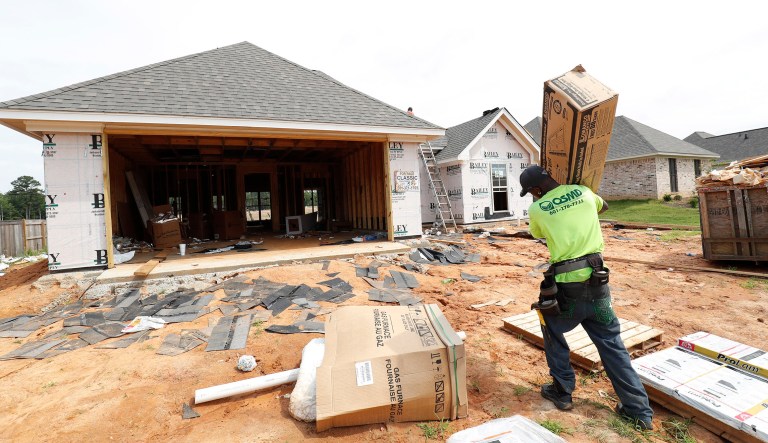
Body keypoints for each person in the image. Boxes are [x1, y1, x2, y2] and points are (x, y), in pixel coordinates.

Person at [519, 165, 654, 431]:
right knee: (612, 344)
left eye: (531, 193)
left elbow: (539, 233)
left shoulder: (537, 209)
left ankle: (563, 391)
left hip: (568, 291)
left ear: (535, 190)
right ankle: (639, 412)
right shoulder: (583, 191)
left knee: (552, 328)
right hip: (598, 284)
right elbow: (602, 207)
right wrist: (578, 195)